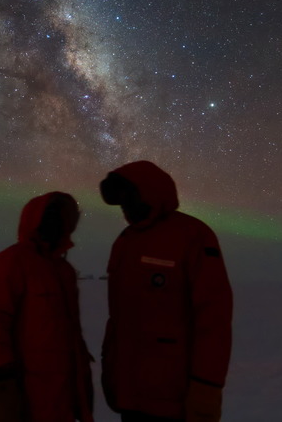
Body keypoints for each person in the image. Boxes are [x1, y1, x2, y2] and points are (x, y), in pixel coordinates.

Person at [99, 161, 233, 422]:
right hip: (130, 391)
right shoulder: (126, 241)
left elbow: (213, 318)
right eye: (121, 199)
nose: (126, 206)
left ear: (148, 192)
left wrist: (207, 385)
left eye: (130, 196)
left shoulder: (192, 236)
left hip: (174, 395)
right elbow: (119, 318)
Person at [0, 192, 95, 422]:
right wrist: (1, 374)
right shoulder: (11, 262)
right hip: (25, 391)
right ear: (33, 219)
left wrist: (82, 384)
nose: (55, 223)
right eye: (49, 216)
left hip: (62, 392)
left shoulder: (63, 270)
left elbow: (71, 334)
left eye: (61, 218)